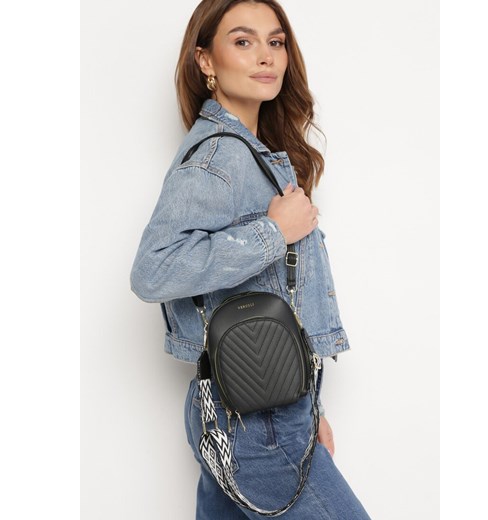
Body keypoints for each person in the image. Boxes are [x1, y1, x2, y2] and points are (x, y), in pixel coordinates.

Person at [131, 1, 371, 518]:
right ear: (205, 60)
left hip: (257, 407)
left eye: (275, 41)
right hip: (256, 419)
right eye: (243, 41)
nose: (266, 56)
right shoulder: (218, 157)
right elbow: (154, 270)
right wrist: (274, 232)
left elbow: (282, 298)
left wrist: (309, 409)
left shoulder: (253, 152)